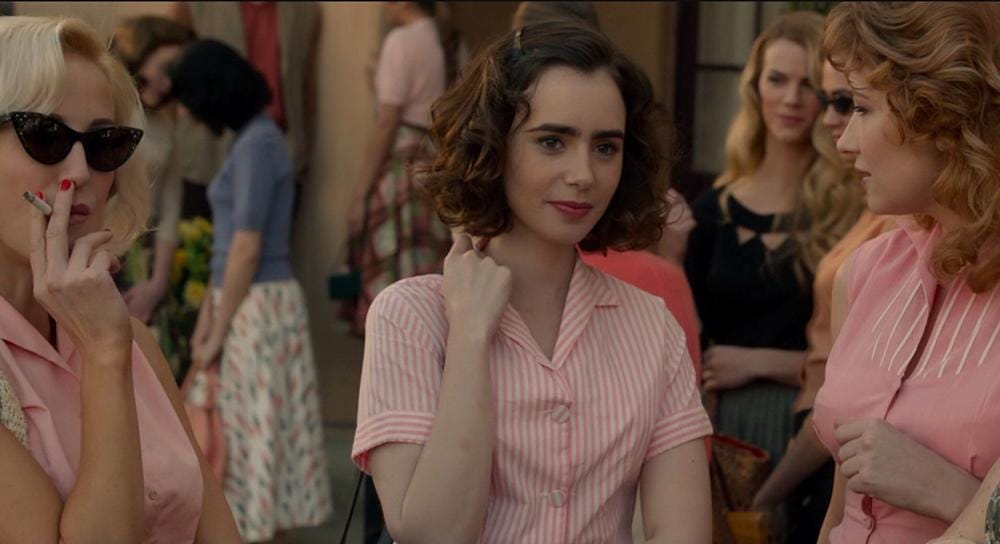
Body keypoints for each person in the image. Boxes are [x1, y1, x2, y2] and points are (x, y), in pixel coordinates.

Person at [352, 21, 713, 543]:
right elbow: (432, 535)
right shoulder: (409, 316)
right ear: (492, 146)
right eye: (551, 141)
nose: (583, 173)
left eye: (605, 147)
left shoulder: (651, 326)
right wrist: (470, 337)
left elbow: (681, 533)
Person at [0, 16, 239, 542]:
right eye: (45, 135)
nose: (80, 172)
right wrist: (105, 358)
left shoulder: (134, 343)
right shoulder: (115, 343)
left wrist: (111, 346)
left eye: (104, 143)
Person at [812, 2, 1000, 542]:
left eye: (862, 108)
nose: (844, 141)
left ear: (941, 114)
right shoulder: (865, 272)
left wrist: (948, 492)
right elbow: (840, 510)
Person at [168, 39, 332, 542]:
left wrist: (217, 328)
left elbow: (245, 246)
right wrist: (211, 316)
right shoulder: (253, 139)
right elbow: (232, 250)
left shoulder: (258, 143)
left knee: (251, 434)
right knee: (247, 433)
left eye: (189, 99)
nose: (186, 111)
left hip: (257, 304)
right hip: (247, 300)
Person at [684, 10, 862, 467]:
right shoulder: (714, 210)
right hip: (719, 426)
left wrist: (759, 362)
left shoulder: (851, 209)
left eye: (808, 85)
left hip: (813, 429)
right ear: (755, 87)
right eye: (777, 80)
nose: (791, 99)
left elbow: (861, 356)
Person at [749, 58, 899, 541]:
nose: (830, 118)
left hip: (828, 446)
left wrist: (769, 492)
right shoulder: (868, 204)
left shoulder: (895, 223)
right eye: (832, 101)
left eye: (852, 104)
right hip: (820, 441)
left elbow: (854, 394)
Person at [344, 1, 457, 337]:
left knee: (395, 268)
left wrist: (360, 193)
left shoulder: (401, 40)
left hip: (404, 161)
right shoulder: (442, 39)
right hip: (431, 156)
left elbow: (387, 121)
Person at [169, 1, 321, 220]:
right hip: (208, 156)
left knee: (264, 238)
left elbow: (306, 84)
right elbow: (170, 67)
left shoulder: (303, 9)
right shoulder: (194, 6)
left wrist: (304, 150)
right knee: (203, 238)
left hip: (277, 151)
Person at [109, 16, 194, 341]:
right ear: (140, 54)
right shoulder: (110, 110)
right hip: (101, 247)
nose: (169, 82)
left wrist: (157, 283)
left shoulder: (167, 125)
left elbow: (171, 207)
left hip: (143, 256)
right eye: (166, 67)